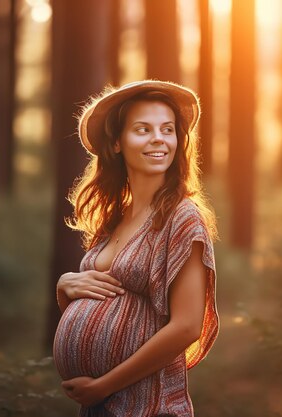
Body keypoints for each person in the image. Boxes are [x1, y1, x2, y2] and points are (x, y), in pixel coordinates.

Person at [53, 80, 219, 417]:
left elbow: (187, 325)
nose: (158, 138)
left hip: (148, 407)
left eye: (167, 129)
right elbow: (109, 305)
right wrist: (64, 287)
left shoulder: (182, 217)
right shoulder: (114, 218)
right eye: (143, 129)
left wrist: (104, 385)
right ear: (117, 142)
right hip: (103, 408)